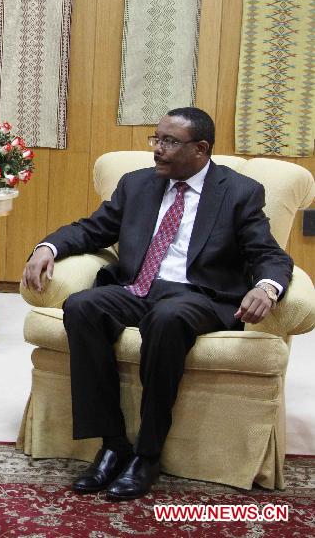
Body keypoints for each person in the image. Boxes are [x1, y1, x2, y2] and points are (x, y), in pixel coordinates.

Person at [22, 107, 293, 501]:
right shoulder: (137, 185)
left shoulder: (238, 192)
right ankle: (113, 443)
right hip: (138, 288)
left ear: (201, 149)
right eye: (156, 139)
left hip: (198, 296)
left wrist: (267, 288)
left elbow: (268, 254)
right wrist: (48, 247)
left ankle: (147, 454)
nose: (158, 150)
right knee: (82, 306)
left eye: (169, 142)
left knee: (167, 317)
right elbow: (92, 229)